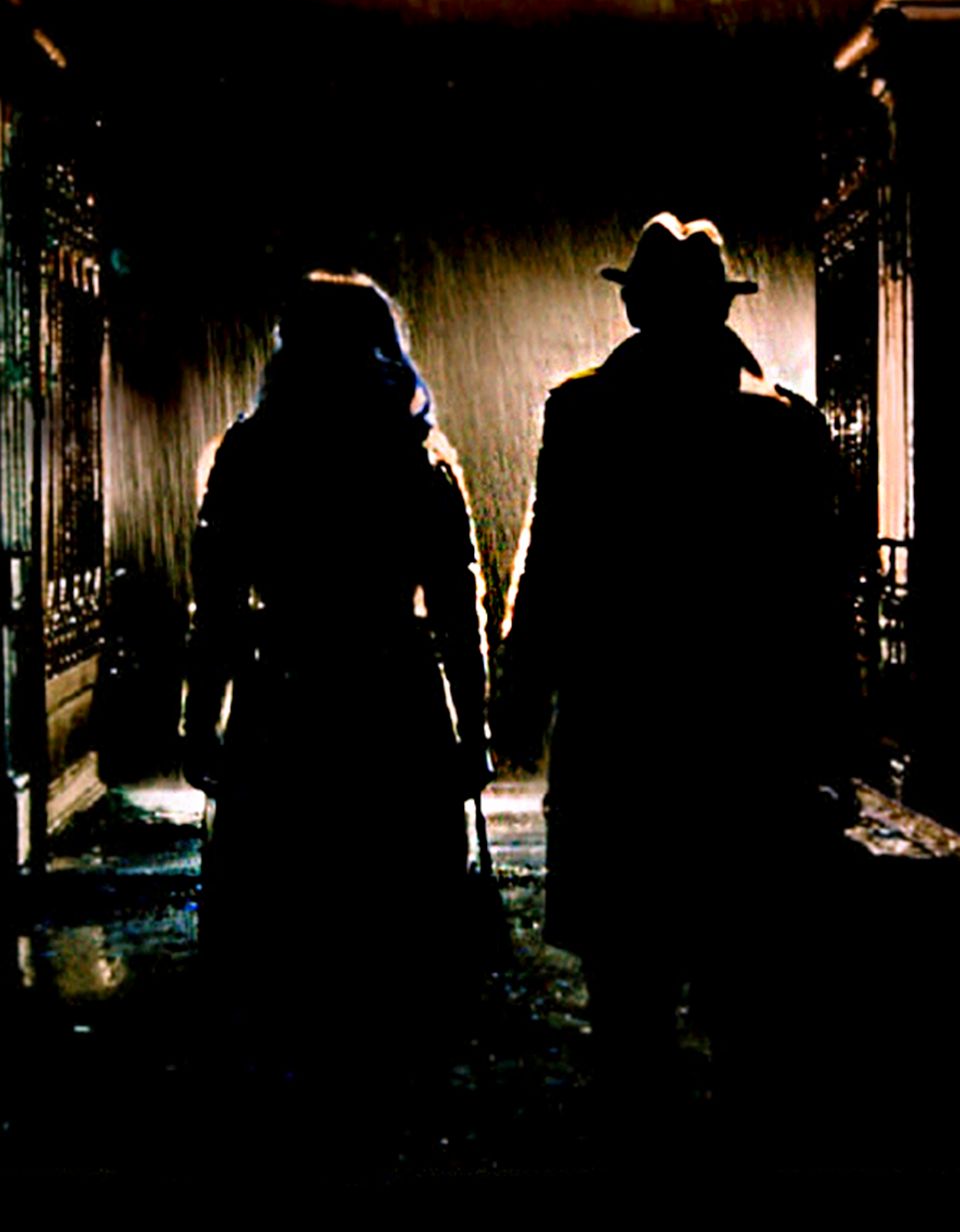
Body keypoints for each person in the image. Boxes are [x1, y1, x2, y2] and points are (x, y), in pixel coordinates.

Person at [495, 212, 858, 1163]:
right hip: (750, 744)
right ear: (721, 308)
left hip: (620, 735)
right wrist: (835, 740)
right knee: (748, 994)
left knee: (629, 995)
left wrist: (517, 701)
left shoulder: (582, 414)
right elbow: (820, 599)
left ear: (635, 308)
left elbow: (552, 569)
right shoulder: (784, 425)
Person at [181, 271, 489, 1152]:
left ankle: (293, 1132)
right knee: (395, 938)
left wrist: (201, 719)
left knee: (282, 936)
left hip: (286, 704)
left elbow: (217, 608)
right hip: (395, 707)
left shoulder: (250, 457)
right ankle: (389, 1126)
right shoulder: (417, 459)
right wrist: (475, 727)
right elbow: (457, 608)